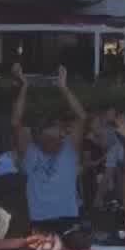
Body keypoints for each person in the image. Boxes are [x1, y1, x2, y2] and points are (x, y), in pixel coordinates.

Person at [11, 64, 86, 234]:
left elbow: (81, 116)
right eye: (53, 133)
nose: (60, 136)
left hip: (68, 218)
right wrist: (23, 87)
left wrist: (64, 88)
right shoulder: (30, 152)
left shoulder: (69, 147)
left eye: (60, 133)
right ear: (39, 136)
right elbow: (16, 121)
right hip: (39, 221)